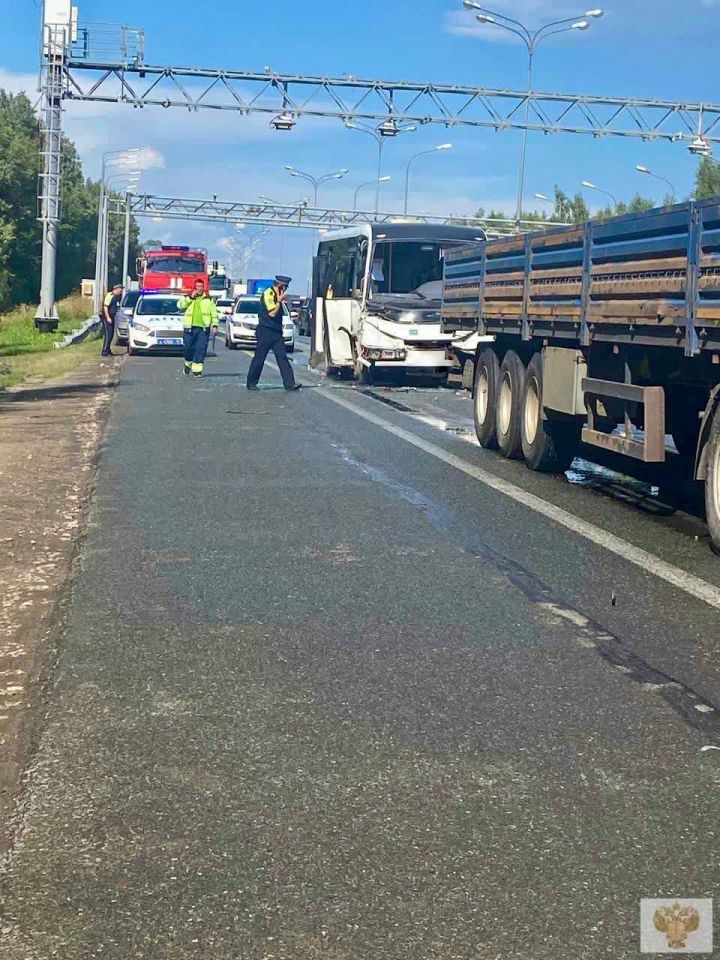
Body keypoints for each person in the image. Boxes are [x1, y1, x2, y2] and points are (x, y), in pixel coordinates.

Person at [246, 276, 301, 392]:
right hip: (265, 331)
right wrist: (279, 302)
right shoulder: (268, 294)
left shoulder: (278, 296)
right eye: (285, 287)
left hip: (276, 333)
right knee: (259, 358)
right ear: (280, 286)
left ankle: (290, 384)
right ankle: (251, 382)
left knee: (282, 357)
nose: (286, 290)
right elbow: (272, 313)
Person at [178, 279, 218, 377]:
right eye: (198, 286)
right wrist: (190, 298)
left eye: (201, 286)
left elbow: (214, 313)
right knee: (188, 348)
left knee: (200, 349)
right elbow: (180, 306)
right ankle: (188, 364)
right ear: (194, 287)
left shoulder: (208, 299)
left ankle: (197, 370)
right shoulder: (188, 297)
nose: (199, 289)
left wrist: (215, 325)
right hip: (189, 327)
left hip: (203, 328)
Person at [101, 282, 123, 356]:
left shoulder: (119, 296)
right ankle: (104, 351)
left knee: (111, 335)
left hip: (113, 316)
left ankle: (108, 349)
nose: (121, 291)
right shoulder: (109, 295)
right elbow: (105, 307)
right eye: (120, 289)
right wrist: (108, 317)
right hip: (107, 317)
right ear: (116, 289)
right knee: (108, 334)